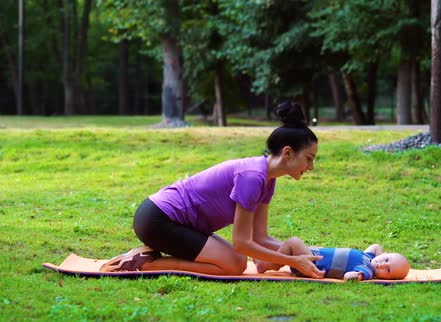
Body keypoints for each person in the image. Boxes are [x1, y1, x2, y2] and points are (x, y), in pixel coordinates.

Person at [100, 102, 325, 278]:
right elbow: (242, 243)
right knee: (232, 266)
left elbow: (260, 237)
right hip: (158, 219)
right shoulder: (252, 177)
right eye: (309, 159)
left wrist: (305, 254)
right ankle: (144, 264)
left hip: (179, 223)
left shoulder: (268, 179)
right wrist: (293, 261)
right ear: (287, 153)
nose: (311, 167)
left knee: (236, 261)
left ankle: (147, 257)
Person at [254, 237, 410, 281]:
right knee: (288, 247)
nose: (383, 265)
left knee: (293, 242)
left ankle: (266, 264)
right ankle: (269, 259)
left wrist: (355, 276)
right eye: (386, 259)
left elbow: (355, 276)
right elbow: (375, 246)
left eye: (388, 270)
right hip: (311, 256)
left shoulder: (367, 270)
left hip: (312, 265)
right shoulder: (369, 257)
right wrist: (379, 256)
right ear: (385, 253)